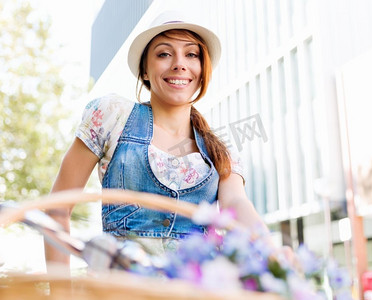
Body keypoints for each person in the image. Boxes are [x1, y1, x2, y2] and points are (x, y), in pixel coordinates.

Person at [45, 11, 270, 266]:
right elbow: (57, 209)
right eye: (164, 53)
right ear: (144, 70)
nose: (179, 64)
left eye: (191, 54)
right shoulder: (112, 115)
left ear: (202, 69)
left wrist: (272, 251)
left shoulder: (219, 151)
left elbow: (237, 204)